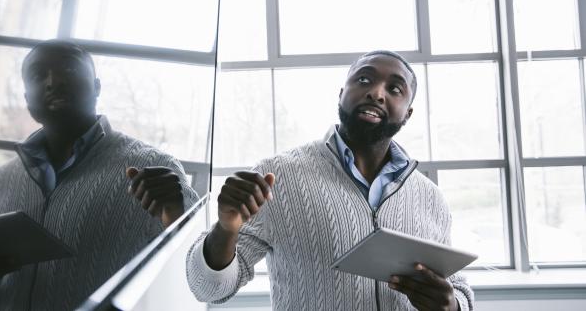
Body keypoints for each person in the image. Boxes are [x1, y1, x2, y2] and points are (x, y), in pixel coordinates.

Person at [186, 50, 474, 310]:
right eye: (363, 79)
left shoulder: (430, 197)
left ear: (407, 113)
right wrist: (225, 229)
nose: (376, 92)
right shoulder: (277, 176)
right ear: (341, 93)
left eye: (394, 88)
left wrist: (453, 305)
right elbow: (208, 288)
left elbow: (457, 288)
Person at [0, 40, 198, 311]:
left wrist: (176, 216)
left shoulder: (155, 169)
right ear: (27, 98)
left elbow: (198, 277)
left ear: (96, 87)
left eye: (68, 69)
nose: (54, 81)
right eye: (38, 75)